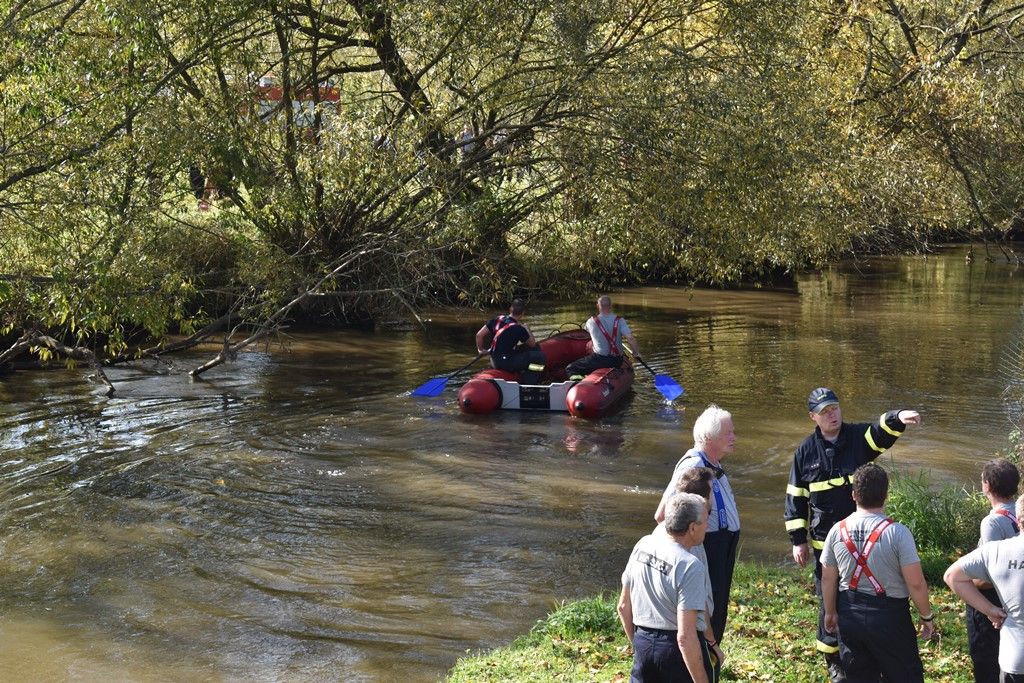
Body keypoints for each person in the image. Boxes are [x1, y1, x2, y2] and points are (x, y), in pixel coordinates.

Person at [783, 387, 921, 682]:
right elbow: (795, 498)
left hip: (865, 542)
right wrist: (798, 541)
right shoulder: (804, 453)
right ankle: (833, 659)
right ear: (813, 418)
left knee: (862, 597)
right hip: (826, 545)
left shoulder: (858, 438)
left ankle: (866, 653)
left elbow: (879, 432)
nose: (832, 414)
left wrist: (897, 417)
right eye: (824, 411)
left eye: (834, 407)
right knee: (828, 599)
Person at [820, 463, 935, 683]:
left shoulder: (837, 531)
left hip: (850, 614)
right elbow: (916, 584)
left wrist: (830, 611)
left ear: (854, 495)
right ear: (886, 495)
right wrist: (926, 615)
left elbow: (828, 577)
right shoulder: (898, 533)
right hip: (890, 618)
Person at [655, 405, 739, 647]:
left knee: (717, 606)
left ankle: (712, 657)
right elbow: (664, 514)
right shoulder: (692, 465)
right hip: (706, 547)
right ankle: (702, 659)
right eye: (728, 433)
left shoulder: (713, 462)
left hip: (721, 545)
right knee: (705, 609)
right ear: (708, 437)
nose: (734, 437)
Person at [619, 492, 714, 683]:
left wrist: (640, 647)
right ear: (692, 528)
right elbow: (685, 637)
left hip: (642, 642)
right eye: (705, 521)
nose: (708, 526)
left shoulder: (643, 544)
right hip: (675, 653)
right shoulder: (690, 565)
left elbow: (622, 607)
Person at [945, 493, 1024, 683]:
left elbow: (952, 576)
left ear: (1019, 519)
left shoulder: (996, 550)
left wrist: (990, 610)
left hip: (1016, 659)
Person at [964, 460, 1021, 683]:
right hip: (1015, 597)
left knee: (986, 662)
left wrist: (967, 580)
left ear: (987, 486)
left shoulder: (992, 522)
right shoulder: (1021, 511)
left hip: (992, 604)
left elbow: (989, 573)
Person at [565, 295, 640, 379]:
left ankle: (579, 384)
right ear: (611, 306)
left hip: (599, 360)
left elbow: (589, 334)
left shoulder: (590, 322)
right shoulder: (620, 320)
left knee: (570, 368)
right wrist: (636, 353)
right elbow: (630, 338)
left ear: (597, 306)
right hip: (617, 360)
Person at [475, 298, 545, 383]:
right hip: (506, 363)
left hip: (493, 360)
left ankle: (520, 373)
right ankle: (528, 383)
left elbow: (479, 335)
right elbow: (533, 344)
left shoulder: (497, 319)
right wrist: (527, 329)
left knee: (521, 349)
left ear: (510, 309)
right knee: (540, 357)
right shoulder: (519, 329)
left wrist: (481, 350)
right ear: (523, 313)